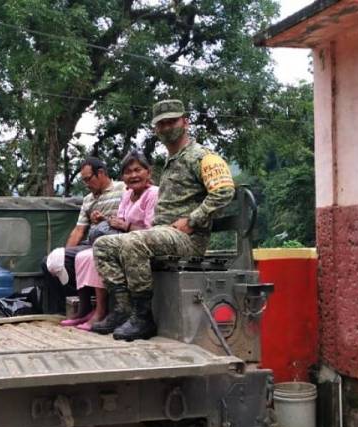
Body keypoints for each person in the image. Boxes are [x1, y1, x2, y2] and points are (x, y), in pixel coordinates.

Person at [92, 99, 235, 340]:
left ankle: (143, 318)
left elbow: (224, 191)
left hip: (188, 240)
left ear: (185, 122)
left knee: (133, 241)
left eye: (172, 121)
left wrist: (192, 220)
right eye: (161, 124)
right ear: (156, 130)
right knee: (103, 245)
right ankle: (123, 310)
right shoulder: (171, 161)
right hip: (164, 235)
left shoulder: (202, 157)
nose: (167, 127)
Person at [71, 151, 158, 331]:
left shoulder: (153, 194)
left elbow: (153, 232)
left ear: (148, 172)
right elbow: (118, 222)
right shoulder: (127, 194)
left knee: (99, 248)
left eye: (137, 170)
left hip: (143, 243)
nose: (133, 175)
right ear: (123, 177)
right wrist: (105, 220)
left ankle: (117, 311)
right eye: (128, 172)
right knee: (86, 255)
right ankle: (114, 308)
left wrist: (125, 227)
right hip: (122, 240)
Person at [41, 157, 124, 321]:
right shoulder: (88, 199)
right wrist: (64, 256)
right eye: (84, 180)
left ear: (100, 173)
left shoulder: (123, 189)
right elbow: (79, 230)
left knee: (84, 257)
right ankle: (65, 309)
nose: (86, 184)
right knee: (49, 262)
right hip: (89, 241)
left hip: (112, 239)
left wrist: (105, 219)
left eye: (88, 179)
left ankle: (91, 308)